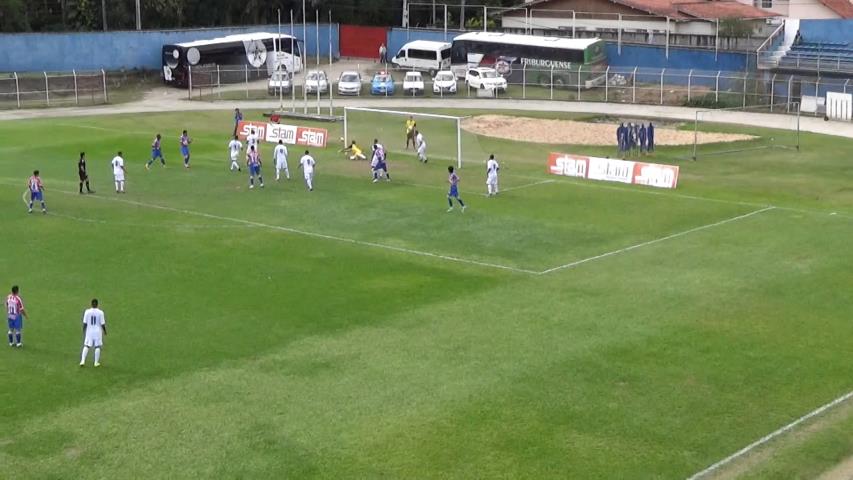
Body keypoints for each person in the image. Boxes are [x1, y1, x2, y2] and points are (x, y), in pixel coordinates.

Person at [79, 298, 106, 367]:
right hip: (97, 332)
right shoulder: (100, 312)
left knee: (87, 345)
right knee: (97, 346)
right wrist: (105, 331)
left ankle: (82, 361)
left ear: (91, 304)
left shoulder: (87, 312)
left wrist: (83, 330)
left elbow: (85, 323)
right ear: (97, 304)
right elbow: (102, 324)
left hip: (89, 331)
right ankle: (96, 362)